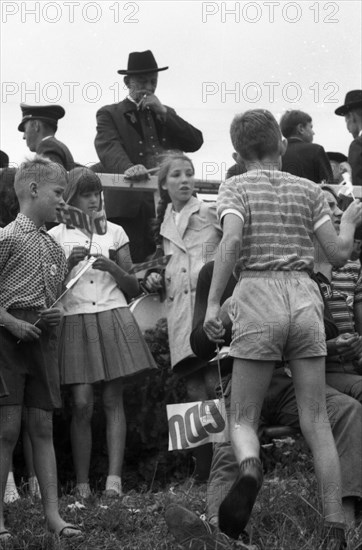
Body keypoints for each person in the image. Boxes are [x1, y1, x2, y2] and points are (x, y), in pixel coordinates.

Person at [203, 109, 362, 549]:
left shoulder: (234, 186)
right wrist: (347, 222)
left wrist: (215, 303)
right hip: (305, 297)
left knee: (242, 416)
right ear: (283, 146)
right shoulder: (310, 189)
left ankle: (251, 465)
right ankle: (336, 526)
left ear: (237, 154)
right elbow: (337, 252)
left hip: (257, 295)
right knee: (316, 420)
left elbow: (231, 243)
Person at [165, 260, 362, 549]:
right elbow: (198, 346)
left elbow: (329, 326)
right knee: (229, 444)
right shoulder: (214, 272)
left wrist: (284, 320)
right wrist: (219, 318)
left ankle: (345, 522)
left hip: (289, 380)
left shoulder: (295, 267)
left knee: (346, 411)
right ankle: (220, 533)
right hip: (237, 381)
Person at [48, 167, 157, 499]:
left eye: (97, 193)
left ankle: (114, 481)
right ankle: (82, 484)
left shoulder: (115, 231)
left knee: (112, 399)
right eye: (87, 193)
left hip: (112, 313)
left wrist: (112, 266)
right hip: (76, 316)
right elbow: (49, 291)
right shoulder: (55, 236)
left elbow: (133, 286)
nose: (95, 199)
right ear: (72, 198)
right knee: (81, 403)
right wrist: (68, 265)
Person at [0, 156, 83, 542]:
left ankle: (53, 515)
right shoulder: (5, 238)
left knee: (43, 426)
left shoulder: (54, 248)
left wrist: (52, 316)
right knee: (6, 429)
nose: (62, 203)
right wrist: (12, 322)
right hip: (6, 342)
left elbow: (53, 299)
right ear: (33, 190)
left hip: (41, 343)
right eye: (58, 194)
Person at [145, 152, 222, 480]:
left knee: (216, 383)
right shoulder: (161, 224)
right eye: (176, 175)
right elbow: (162, 264)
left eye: (189, 173)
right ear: (163, 184)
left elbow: (235, 245)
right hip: (180, 314)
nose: (185, 180)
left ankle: (227, 465)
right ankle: (202, 470)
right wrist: (151, 275)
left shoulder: (211, 213)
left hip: (209, 309)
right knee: (193, 389)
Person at [94, 50, 204, 262]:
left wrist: (164, 113)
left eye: (153, 82)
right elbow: (108, 147)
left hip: (169, 206)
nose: (149, 87)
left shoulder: (165, 112)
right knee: (132, 268)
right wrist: (128, 168)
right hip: (129, 209)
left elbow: (195, 141)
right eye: (142, 81)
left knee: (173, 265)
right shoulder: (109, 113)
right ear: (127, 82)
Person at [315, 186, 362, 399]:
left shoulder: (352, 267)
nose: (340, 212)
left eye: (337, 205)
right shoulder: (298, 268)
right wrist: (332, 347)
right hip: (316, 372)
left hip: (352, 368)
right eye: (329, 206)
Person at [280, 109, 333, 183]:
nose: (313, 132)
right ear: (301, 128)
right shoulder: (316, 150)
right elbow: (328, 186)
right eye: (311, 127)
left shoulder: (277, 153)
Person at [18, 103, 76, 170]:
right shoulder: (58, 146)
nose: (24, 137)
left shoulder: (47, 147)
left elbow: (49, 178)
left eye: (25, 130)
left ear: (36, 125)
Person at [335, 90, 362, 187]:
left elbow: (357, 188)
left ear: (351, 116)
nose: (348, 129)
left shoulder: (358, 144)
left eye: (346, 120)